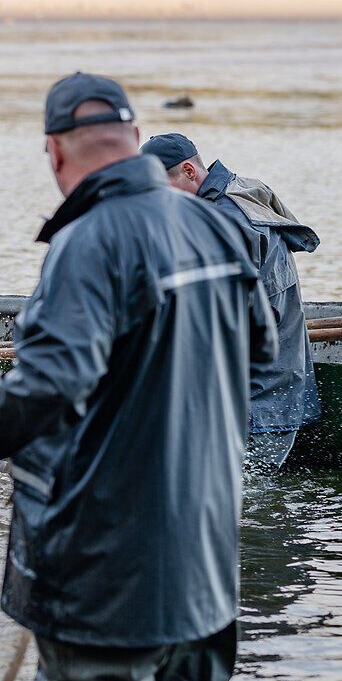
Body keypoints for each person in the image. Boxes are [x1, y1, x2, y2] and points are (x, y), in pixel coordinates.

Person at [0, 72, 276, 681]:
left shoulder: (88, 240)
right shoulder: (217, 226)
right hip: (206, 564)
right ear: (134, 140)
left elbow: (46, 387)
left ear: (53, 152)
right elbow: (262, 349)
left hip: (108, 574)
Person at [142, 132, 321, 471]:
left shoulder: (225, 222)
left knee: (233, 495)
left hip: (255, 402)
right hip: (272, 391)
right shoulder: (236, 193)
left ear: (189, 171)